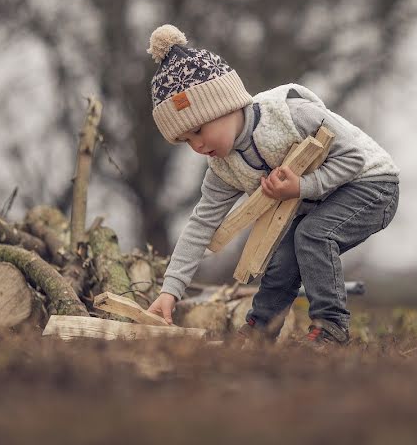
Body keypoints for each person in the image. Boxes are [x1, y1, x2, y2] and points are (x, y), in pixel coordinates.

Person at [145, 24, 400, 346]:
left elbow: (353, 158)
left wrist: (302, 187)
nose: (195, 145)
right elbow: (200, 226)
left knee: (312, 235)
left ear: (224, 105)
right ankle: (259, 333)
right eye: (184, 141)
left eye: (197, 130)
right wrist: (170, 291)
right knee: (281, 260)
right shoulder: (223, 168)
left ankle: (331, 327)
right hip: (325, 202)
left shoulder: (291, 114)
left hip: (373, 185)